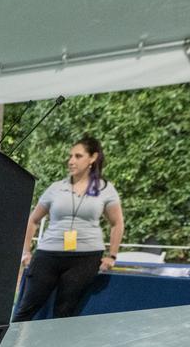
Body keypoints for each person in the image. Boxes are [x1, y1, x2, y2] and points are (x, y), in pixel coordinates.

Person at [15, 136, 125, 320]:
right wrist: (26, 252)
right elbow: (32, 220)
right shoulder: (56, 188)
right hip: (48, 253)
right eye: (70, 156)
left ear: (92, 158)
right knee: (25, 309)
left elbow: (117, 223)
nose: (71, 161)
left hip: (86, 258)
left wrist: (112, 256)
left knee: (64, 313)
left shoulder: (105, 189)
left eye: (78, 156)